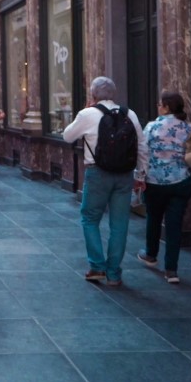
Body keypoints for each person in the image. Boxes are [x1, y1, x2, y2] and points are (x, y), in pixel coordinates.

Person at [62, 76, 147, 286]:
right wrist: (141, 175)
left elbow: (67, 136)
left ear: (93, 95)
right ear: (114, 94)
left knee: (90, 218)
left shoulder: (87, 114)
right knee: (119, 224)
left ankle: (97, 267)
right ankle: (114, 274)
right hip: (125, 175)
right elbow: (142, 146)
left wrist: (83, 113)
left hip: (97, 173)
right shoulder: (130, 114)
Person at [137, 91, 191, 284]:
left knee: (153, 218)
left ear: (167, 107)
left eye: (160, 104)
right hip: (180, 181)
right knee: (174, 225)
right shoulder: (189, 128)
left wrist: (140, 176)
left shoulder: (152, 127)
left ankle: (151, 255)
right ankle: (172, 270)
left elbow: (142, 152)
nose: (158, 107)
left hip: (154, 182)